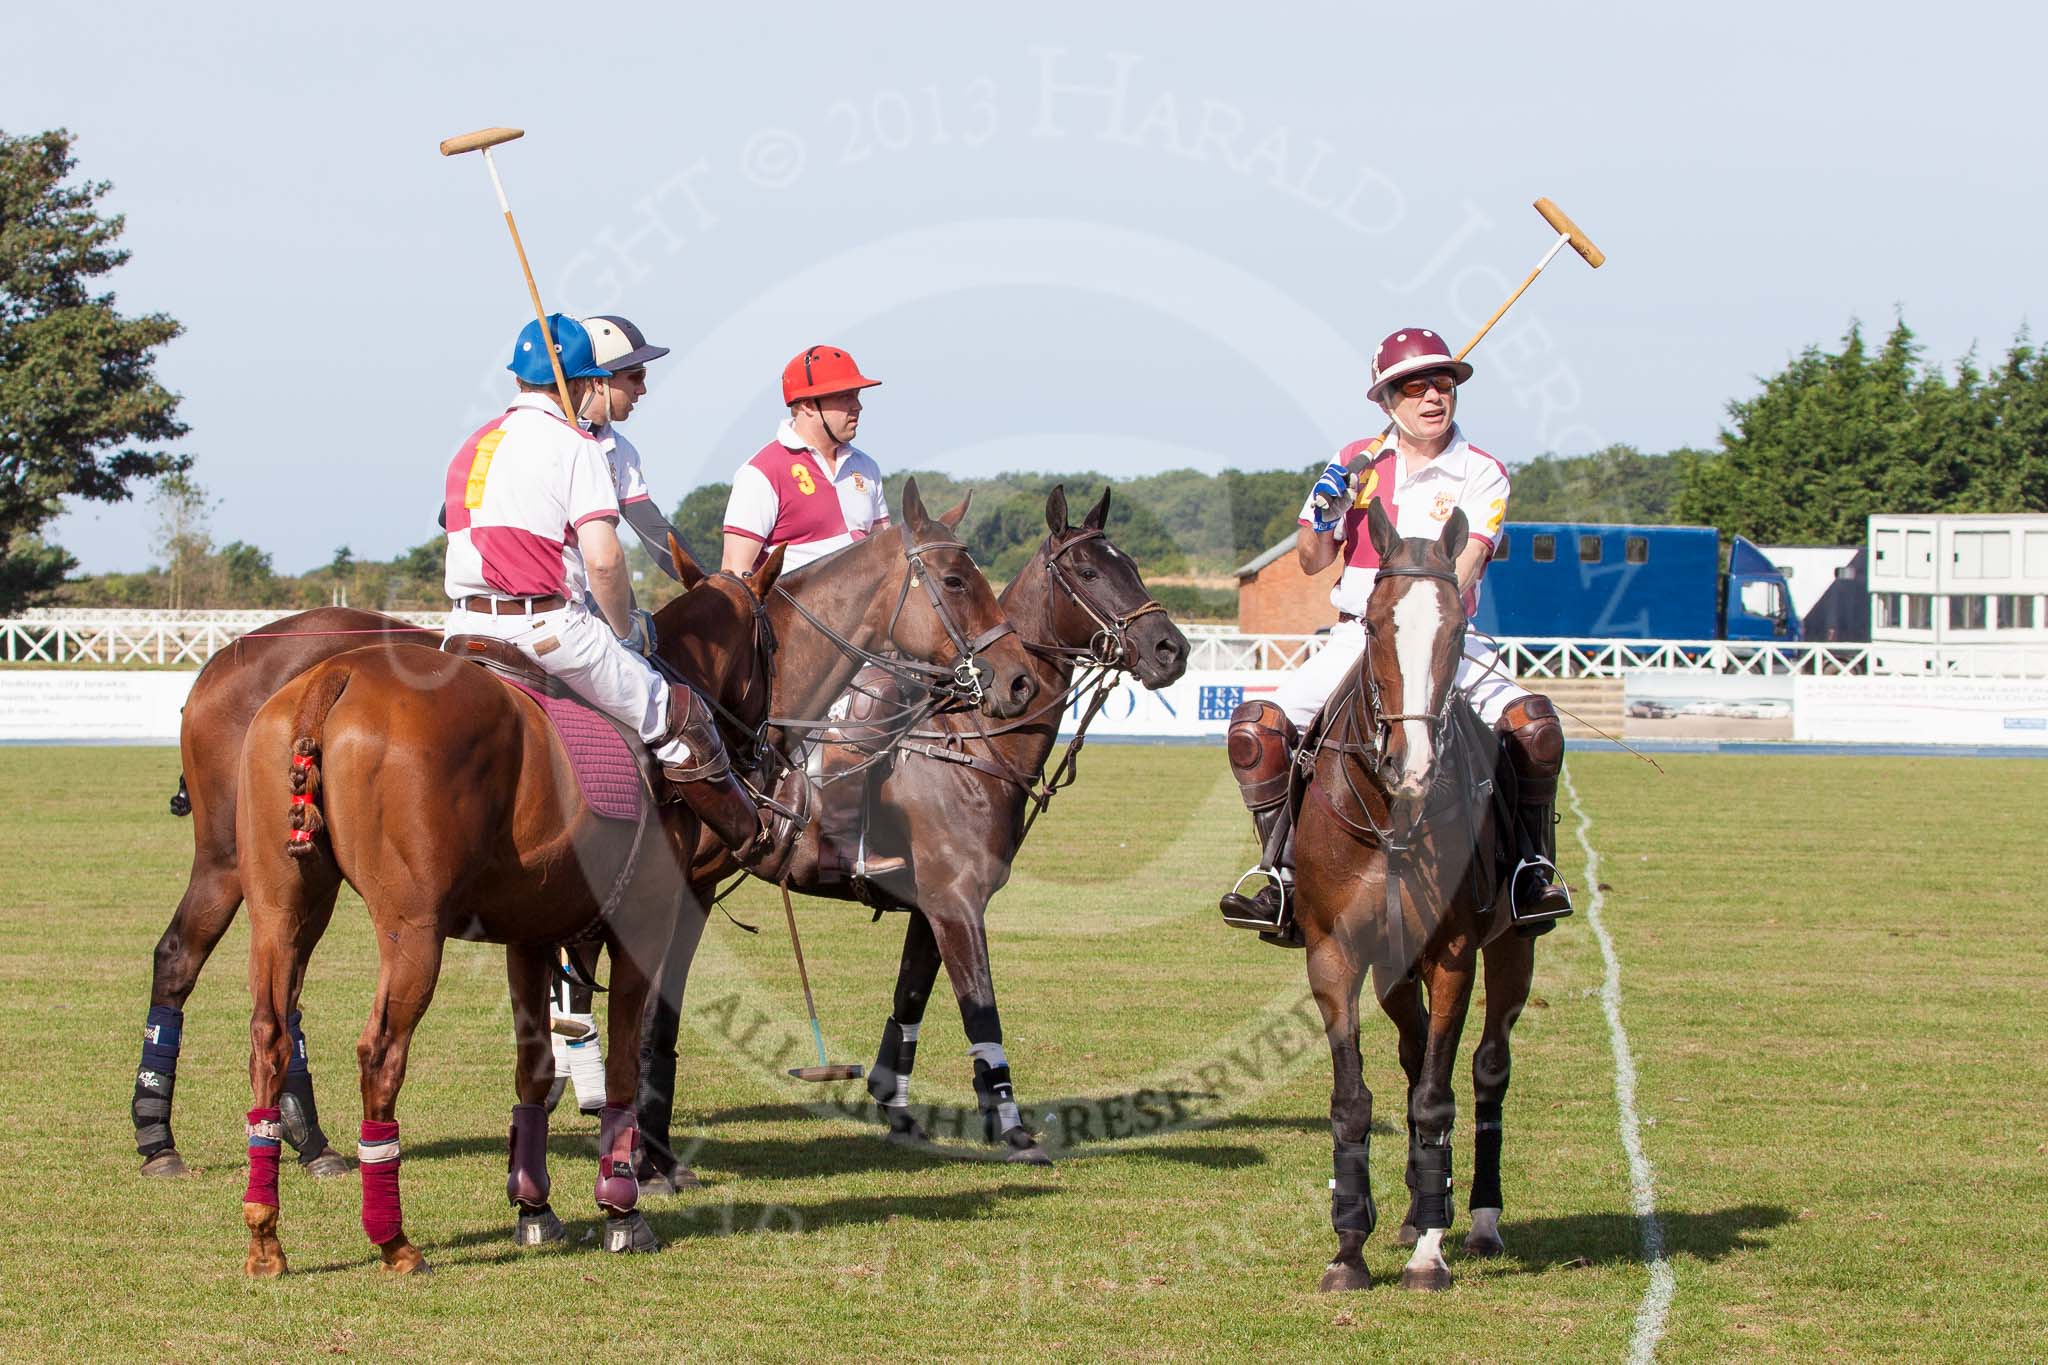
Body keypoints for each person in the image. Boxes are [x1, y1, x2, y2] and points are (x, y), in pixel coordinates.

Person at [1219, 327, 1572, 936]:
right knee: (1256, 733)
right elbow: (1309, 559)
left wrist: (1420, 615)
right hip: (1359, 635)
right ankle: (1281, 874)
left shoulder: (1481, 472)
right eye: (1415, 387)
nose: (1433, 397)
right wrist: (1327, 512)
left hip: (1444, 635)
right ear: (1387, 400)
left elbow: (1463, 571)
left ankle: (1529, 869)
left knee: (1535, 727)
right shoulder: (1354, 461)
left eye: (1443, 384)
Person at [442, 314, 768, 865]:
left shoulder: (475, 442)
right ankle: (751, 844)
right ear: (590, 381)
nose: (642, 388)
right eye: (632, 377)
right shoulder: (576, 447)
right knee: (674, 713)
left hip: (463, 623)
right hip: (548, 623)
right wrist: (626, 628)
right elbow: (605, 561)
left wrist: (709, 584)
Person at [720, 346, 902, 884]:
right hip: (795, 647)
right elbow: (735, 575)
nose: (857, 406)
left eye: (857, 395)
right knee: (869, 706)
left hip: (866, 640)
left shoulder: (865, 470)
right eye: (845, 396)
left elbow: (887, 556)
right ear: (805, 405)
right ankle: (838, 845)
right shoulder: (763, 472)